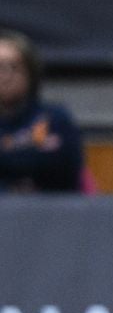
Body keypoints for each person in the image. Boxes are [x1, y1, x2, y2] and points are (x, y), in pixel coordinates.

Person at [0, 28, 84, 193]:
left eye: (13, 67)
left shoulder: (55, 119)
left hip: (52, 211)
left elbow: (63, 166)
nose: (4, 76)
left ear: (30, 73)